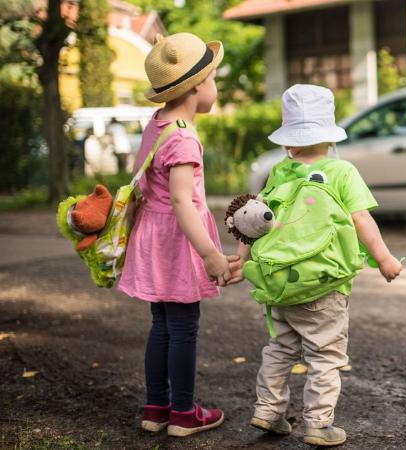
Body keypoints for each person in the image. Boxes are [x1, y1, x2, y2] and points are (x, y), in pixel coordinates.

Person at [228, 84, 403, 447]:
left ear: (288, 142)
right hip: (325, 284)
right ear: (330, 136)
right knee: (325, 354)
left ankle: (269, 411)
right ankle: (318, 424)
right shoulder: (341, 171)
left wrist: (240, 259)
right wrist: (384, 259)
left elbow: (256, 222)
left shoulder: (279, 172)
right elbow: (361, 220)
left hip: (278, 283)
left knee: (280, 350)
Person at [118, 32, 236, 437]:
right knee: (183, 326)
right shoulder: (184, 136)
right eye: (215, 77)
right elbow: (184, 204)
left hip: (152, 232)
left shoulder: (158, 123)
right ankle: (184, 413)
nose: (215, 85)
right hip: (176, 239)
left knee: (162, 324)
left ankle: (156, 408)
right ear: (198, 86)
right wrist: (211, 255)